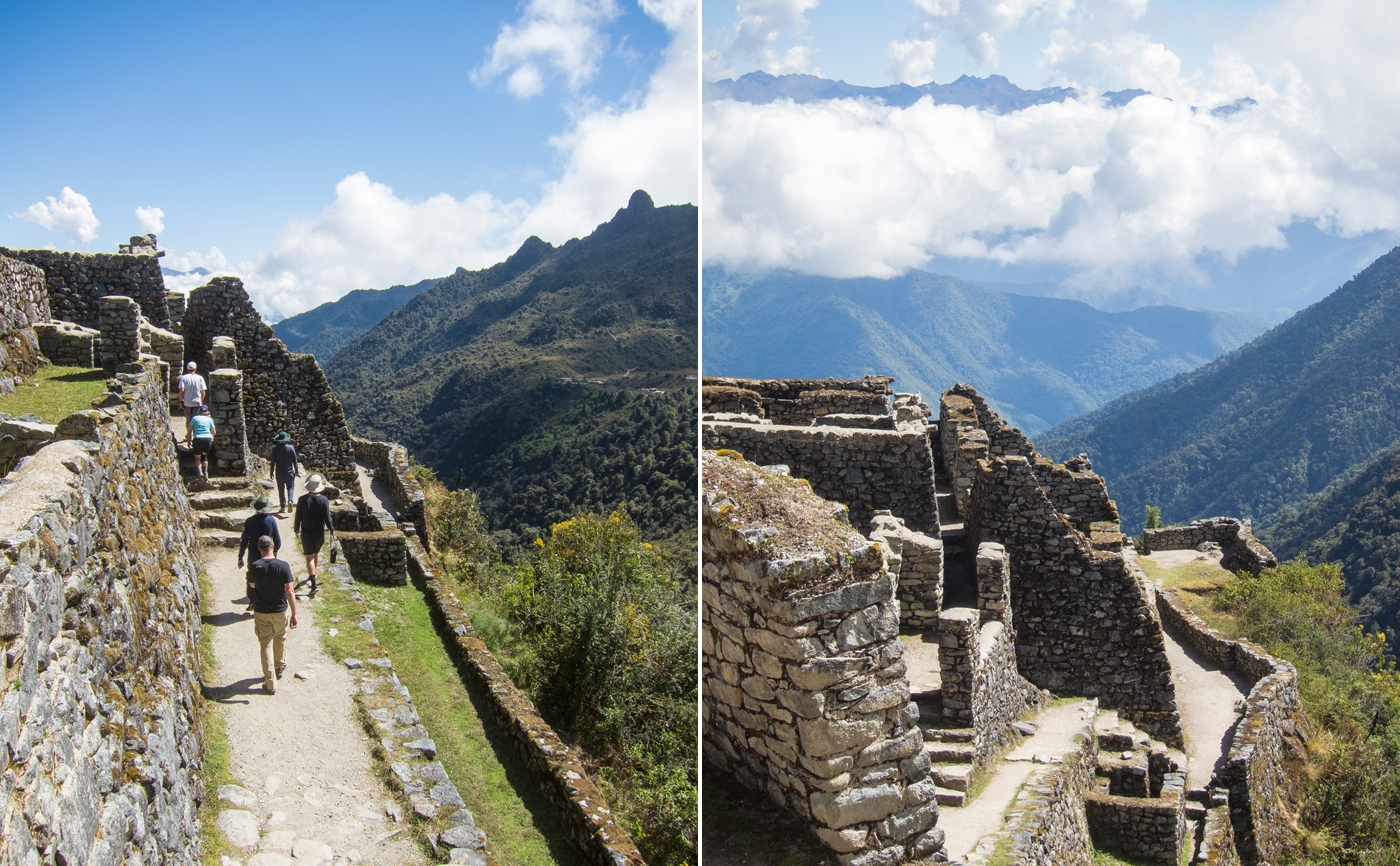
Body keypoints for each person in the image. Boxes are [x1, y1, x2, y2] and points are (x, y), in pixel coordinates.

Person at [245, 535, 297, 693]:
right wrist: (294, 613)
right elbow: (289, 590)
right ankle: (279, 665)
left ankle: (270, 681)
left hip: (261, 611)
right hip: (280, 610)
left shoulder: (255, 566)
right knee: (280, 636)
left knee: (265, 644)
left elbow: (252, 585)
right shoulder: (283, 565)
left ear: (260, 550)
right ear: (273, 547)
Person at [293, 474, 335, 593]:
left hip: (306, 532)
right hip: (319, 533)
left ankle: (313, 582)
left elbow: (298, 517)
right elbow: (327, 517)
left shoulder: (302, 499)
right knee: (315, 553)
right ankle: (313, 575)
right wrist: (331, 527)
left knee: (309, 557)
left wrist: (297, 528)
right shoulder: (323, 500)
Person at [238, 496, 282, 568]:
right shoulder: (271, 520)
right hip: (268, 553)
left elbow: (244, 540)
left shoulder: (249, 521)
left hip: (253, 555)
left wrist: (240, 557)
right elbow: (277, 538)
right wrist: (275, 550)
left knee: (253, 576)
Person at [268, 432, 301, 515]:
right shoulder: (291, 448)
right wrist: (297, 471)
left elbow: (273, 462)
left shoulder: (275, 449)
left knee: (281, 489)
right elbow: (295, 461)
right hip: (289, 472)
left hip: (279, 472)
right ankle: (290, 500)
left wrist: (271, 473)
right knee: (290, 487)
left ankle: (283, 507)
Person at [177, 362, 207, 442]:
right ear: (195, 369)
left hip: (187, 402)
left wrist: (180, 401)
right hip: (197, 402)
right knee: (196, 420)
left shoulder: (183, 377)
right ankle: (195, 437)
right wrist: (201, 400)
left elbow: (182, 390)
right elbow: (203, 392)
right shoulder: (200, 378)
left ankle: (189, 434)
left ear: (187, 369)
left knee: (188, 420)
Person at [188, 404, 216, 478]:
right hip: (207, 438)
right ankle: (205, 473)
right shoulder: (210, 419)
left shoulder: (195, 418)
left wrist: (189, 441)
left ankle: (200, 472)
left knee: (197, 457)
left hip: (197, 438)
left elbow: (189, 430)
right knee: (204, 456)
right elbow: (214, 432)